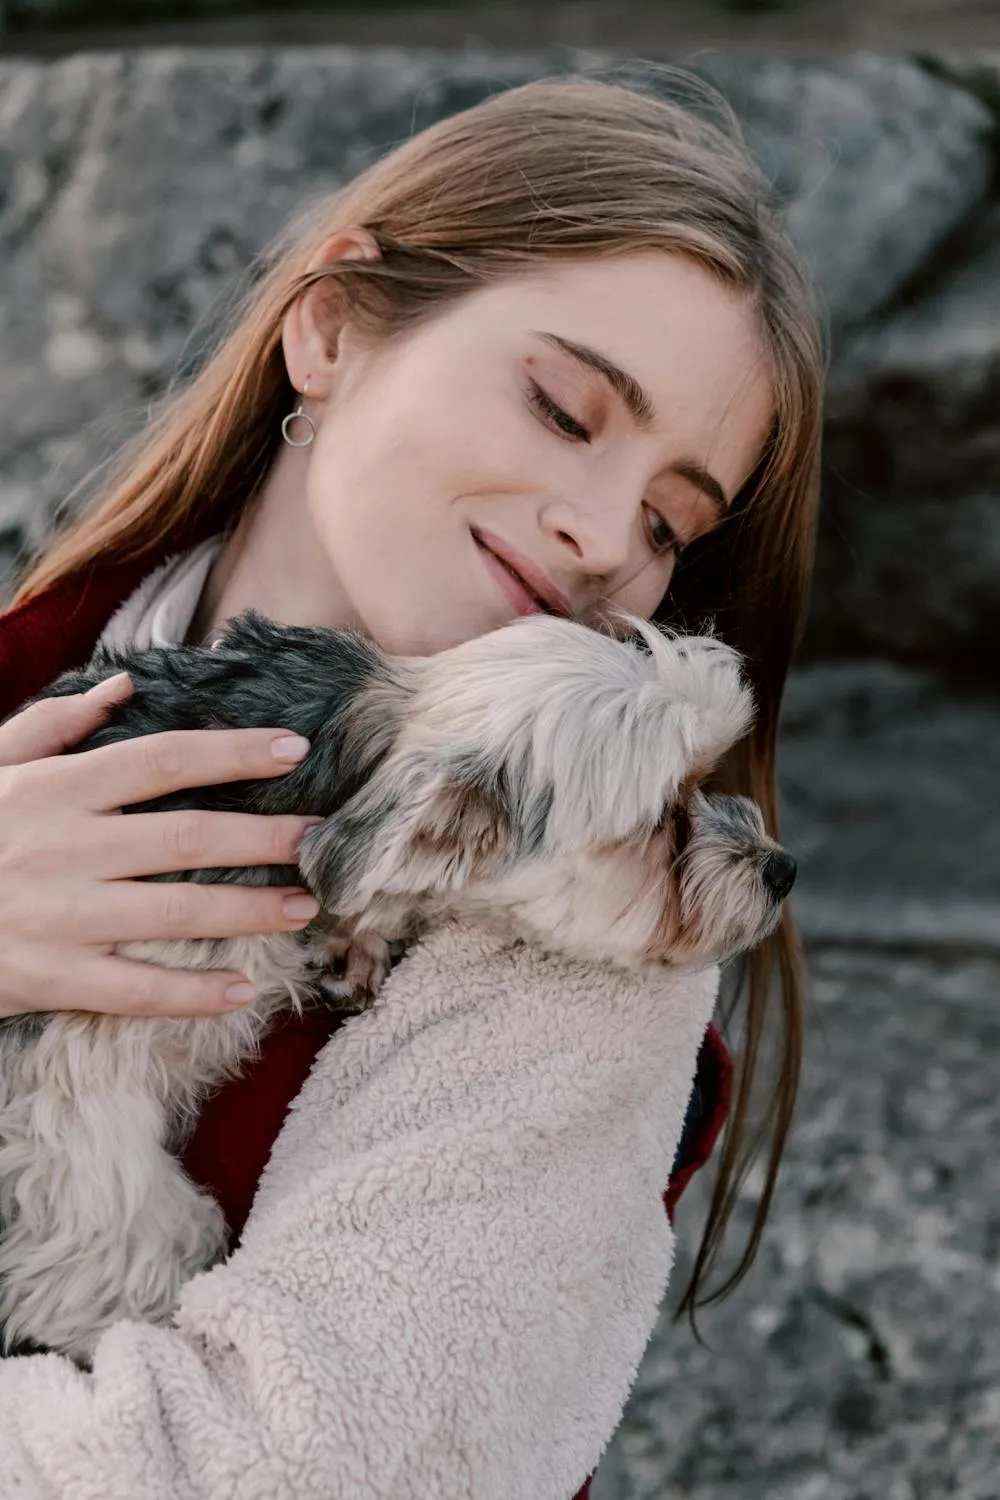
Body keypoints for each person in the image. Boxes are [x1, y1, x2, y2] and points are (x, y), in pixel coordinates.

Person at [0, 71, 821, 1497]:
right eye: (566, 411)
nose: (598, 536)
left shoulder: (584, 950)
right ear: (328, 329)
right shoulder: (28, 679)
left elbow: (293, 1471)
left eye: (671, 523)